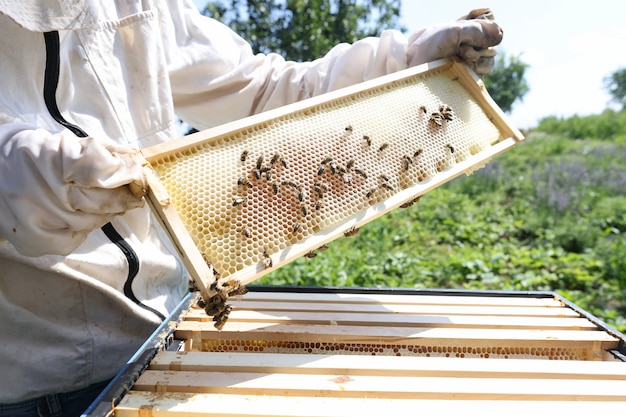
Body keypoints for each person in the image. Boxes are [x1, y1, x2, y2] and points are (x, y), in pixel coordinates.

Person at [0, 1, 503, 415]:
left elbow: (262, 91)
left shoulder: (141, 6)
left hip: (162, 337)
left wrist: (406, 61)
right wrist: (19, 170)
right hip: (35, 380)